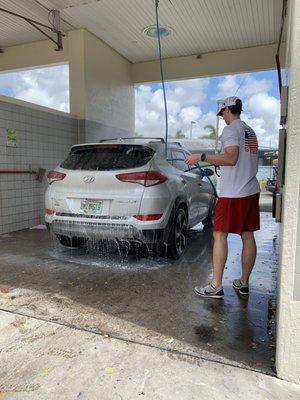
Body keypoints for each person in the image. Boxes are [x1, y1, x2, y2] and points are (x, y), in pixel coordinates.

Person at [185, 96, 260, 299]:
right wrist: (217, 162)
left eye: (223, 113)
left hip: (232, 193)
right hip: (250, 190)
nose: (223, 117)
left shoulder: (230, 130)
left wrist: (200, 157)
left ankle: (216, 285)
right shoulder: (249, 131)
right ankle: (243, 283)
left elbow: (231, 158)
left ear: (227, 111)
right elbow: (237, 159)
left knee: (219, 235)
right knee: (247, 235)